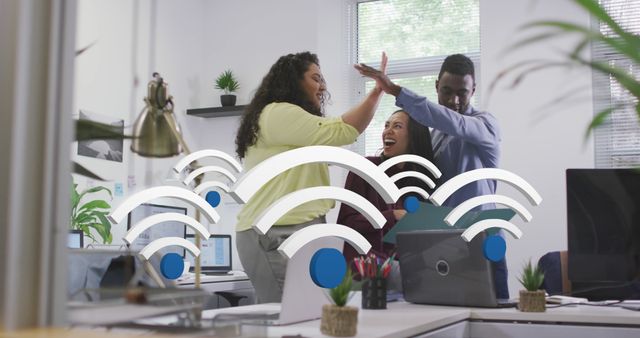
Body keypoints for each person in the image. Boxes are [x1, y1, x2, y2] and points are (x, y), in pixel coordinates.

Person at [234, 51, 386, 303]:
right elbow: (343, 131)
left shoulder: (293, 120)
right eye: (316, 78)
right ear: (293, 81)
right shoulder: (277, 112)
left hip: (300, 227)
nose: (323, 85)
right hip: (274, 231)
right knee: (285, 315)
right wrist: (377, 91)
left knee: (308, 314)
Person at [354, 54, 508, 299]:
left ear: (474, 90)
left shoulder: (485, 126)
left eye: (463, 92)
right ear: (436, 86)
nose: (454, 100)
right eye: (447, 91)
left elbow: (455, 123)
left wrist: (395, 90)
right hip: (446, 246)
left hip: (483, 243)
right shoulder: (433, 137)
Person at [337, 109, 435, 292]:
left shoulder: (421, 182)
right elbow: (346, 223)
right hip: (366, 267)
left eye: (397, 126)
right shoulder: (366, 169)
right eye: (386, 125)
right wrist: (392, 215)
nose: (388, 131)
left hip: (400, 266)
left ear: (413, 137)